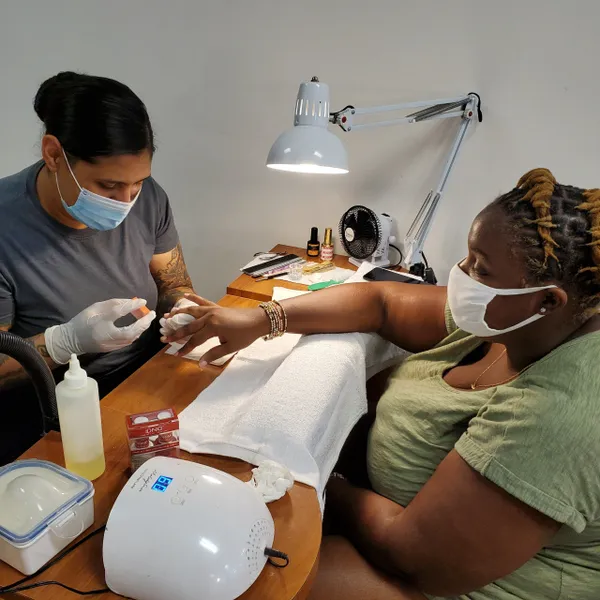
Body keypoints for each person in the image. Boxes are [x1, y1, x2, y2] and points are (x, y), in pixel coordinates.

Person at [164, 168, 600, 599]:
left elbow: (418, 559)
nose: (462, 275)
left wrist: (313, 479)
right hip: (379, 521)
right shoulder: (516, 321)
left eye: (480, 268)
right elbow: (381, 303)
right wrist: (261, 319)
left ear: (547, 300)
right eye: (468, 257)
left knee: (256, 580)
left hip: (443, 577)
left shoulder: (556, 414)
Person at [0, 72, 195, 463]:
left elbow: (173, 281)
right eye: (107, 186)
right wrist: (63, 343)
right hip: (52, 412)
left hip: (146, 379)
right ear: (54, 155)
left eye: (137, 183)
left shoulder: (149, 199)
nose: (126, 201)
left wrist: (184, 309)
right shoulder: (7, 226)